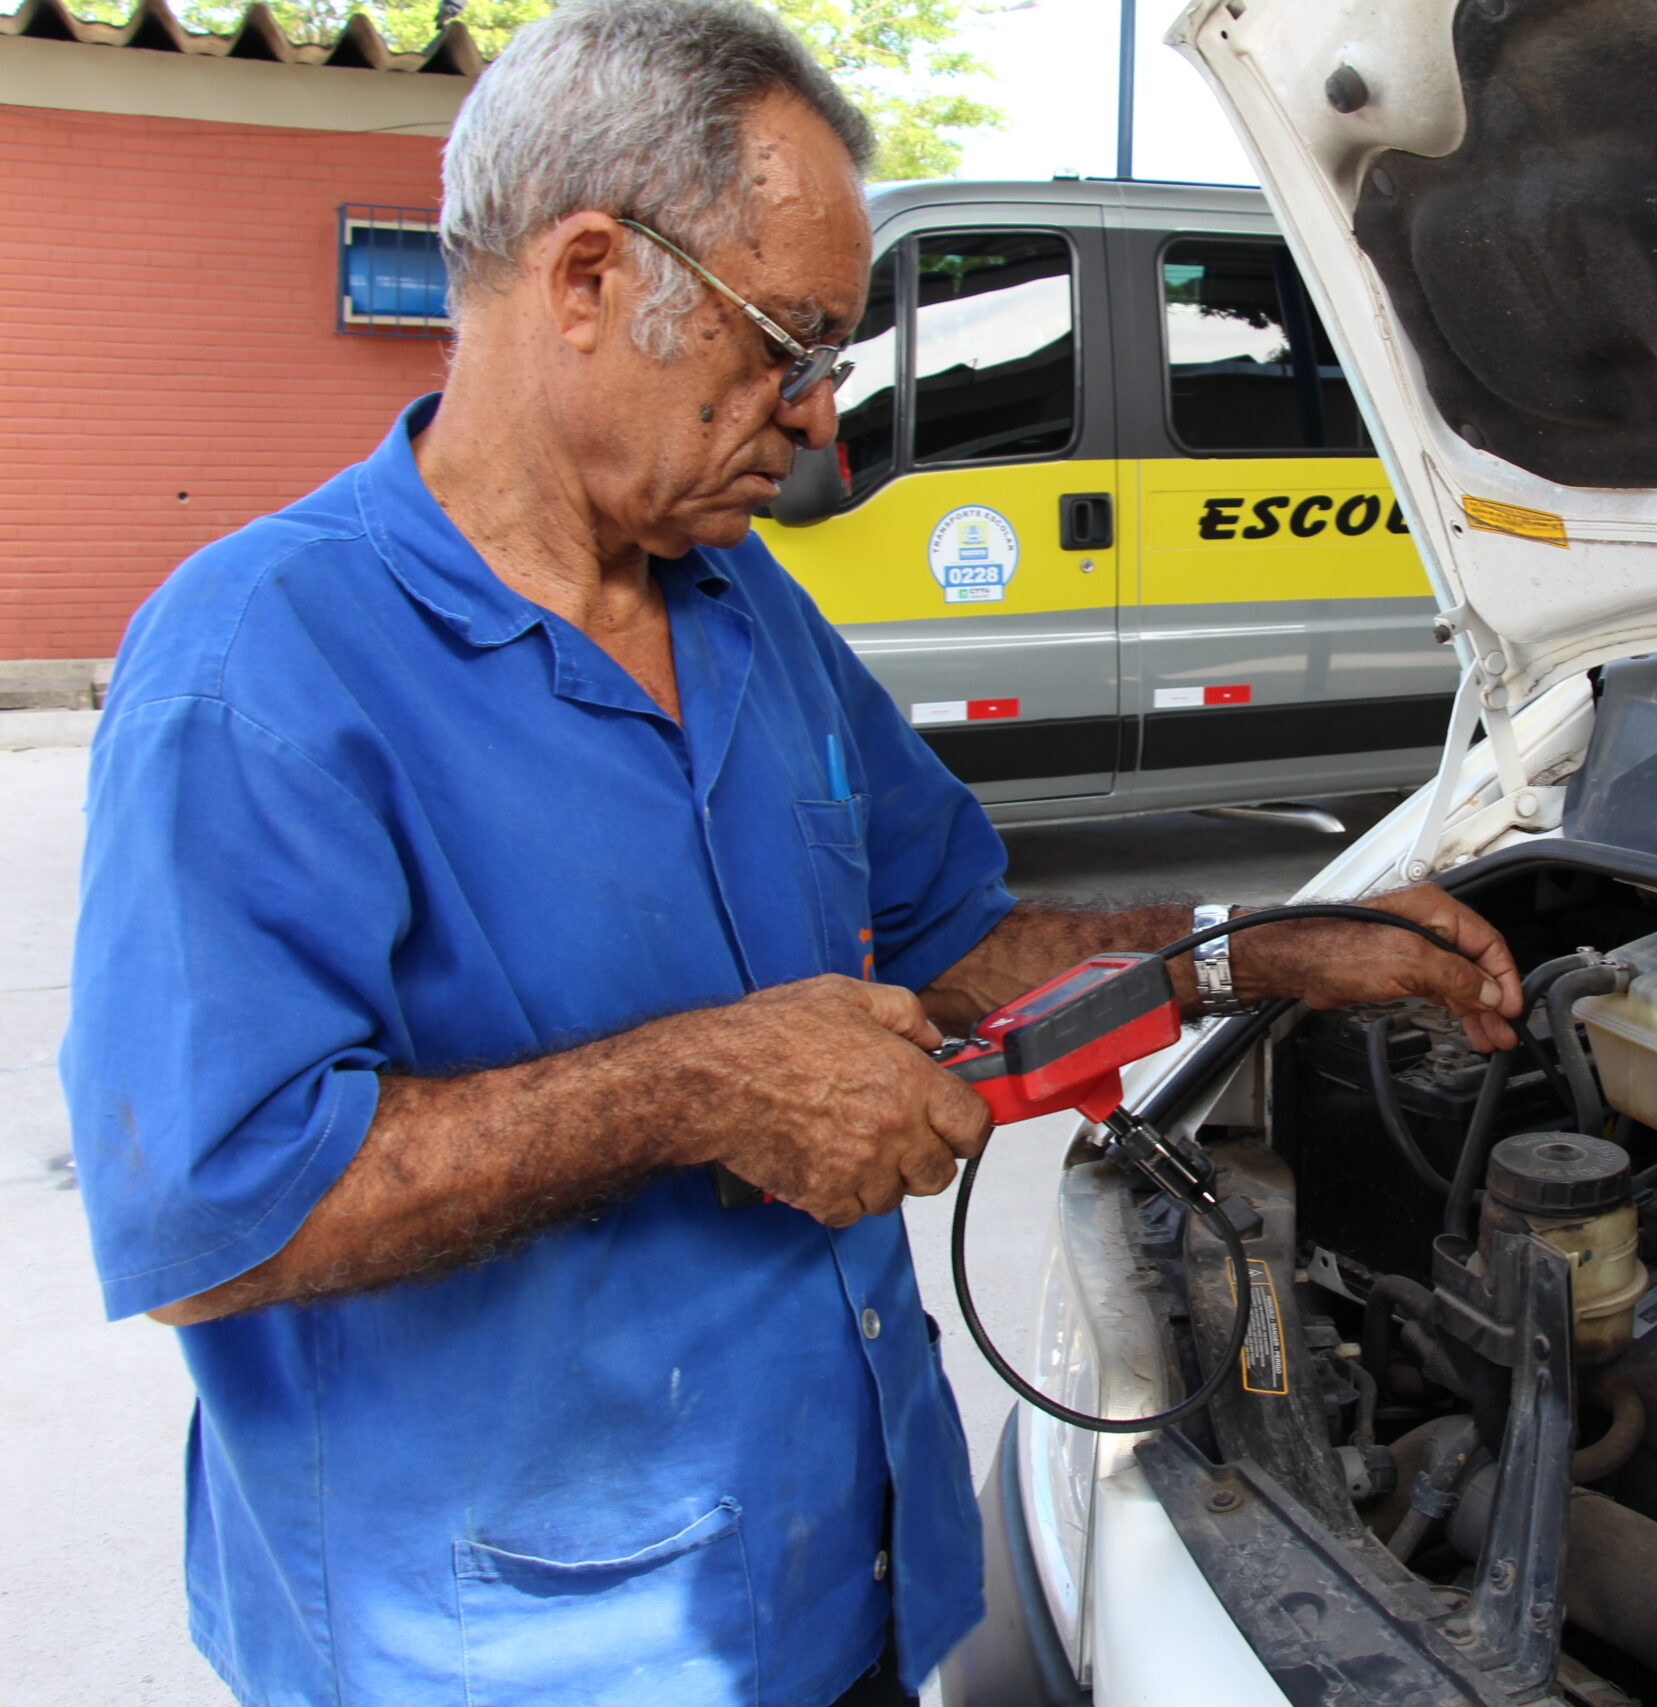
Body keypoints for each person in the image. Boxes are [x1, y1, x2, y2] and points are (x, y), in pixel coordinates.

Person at [56, 3, 1523, 1703]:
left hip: (846, 1588)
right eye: (789, 345)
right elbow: (215, 1213)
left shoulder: (748, 612)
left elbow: (954, 936)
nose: (822, 422)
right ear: (591, 278)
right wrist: (695, 1087)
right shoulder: (258, 668)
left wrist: (1255, 949)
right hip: (520, 1657)